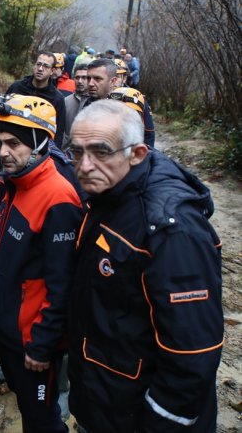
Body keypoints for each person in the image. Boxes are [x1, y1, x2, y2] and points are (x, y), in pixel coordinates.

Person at [66, 100, 223, 433]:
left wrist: (160, 422)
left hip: (139, 416)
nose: (85, 165)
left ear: (136, 153)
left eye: (101, 152)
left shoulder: (172, 231)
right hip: (104, 395)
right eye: (76, 152)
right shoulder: (108, 195)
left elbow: (193, 351)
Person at [0, 95, 82, 432]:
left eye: (14, 144)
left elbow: (63, 285)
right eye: (0, 143)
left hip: (34, 343)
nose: (3, 152)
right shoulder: (14, 184)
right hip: (11, 333)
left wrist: (42, 345)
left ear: (42, 143)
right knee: (28, 407)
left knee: (42, 420)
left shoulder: (58, 197)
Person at [6, 51, 66, 147]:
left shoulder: (57, 99)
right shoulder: (17, 87)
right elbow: (0, 114)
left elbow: (58, 133)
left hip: (37, 150)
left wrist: (53, 156)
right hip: (9, 144)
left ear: (52, 71)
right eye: (38, 64)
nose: (40, 69)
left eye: (46, 66)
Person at [62, 64, 90, 148]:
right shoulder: (66, 101)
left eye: (84, 78)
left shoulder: (95, 102)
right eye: (77, 78)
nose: (80, 81)